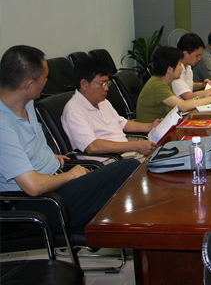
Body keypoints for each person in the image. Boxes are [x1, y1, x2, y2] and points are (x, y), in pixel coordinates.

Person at [0, 45, 139, 231]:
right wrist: (71, 175)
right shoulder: (3, 124)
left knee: (127, 177)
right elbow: (33, 186)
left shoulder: (26, 103)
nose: (47, 81)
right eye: (44, 77)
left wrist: (49, 158)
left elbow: (29, 146)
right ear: (28, 85)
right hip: (39, 203)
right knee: (128, 169)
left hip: (54, 182)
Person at [61, 58, 160, 161]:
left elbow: (122, 123)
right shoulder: (73, 110)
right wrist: (135, 146)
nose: (106, 88)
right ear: (84, 84)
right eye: (102, 84)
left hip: (125, 152)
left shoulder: (102, 102)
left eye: (107, 83)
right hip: (108, 160)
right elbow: (92, 146)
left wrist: (151, 126)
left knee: (162, 152)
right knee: (157, 163)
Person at [136, 46, 211, 123]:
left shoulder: (165, 81)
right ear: (169, 69)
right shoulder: (158, 85)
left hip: (165, 123)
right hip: (155, 130)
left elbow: (180, 105)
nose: (181, 68)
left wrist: (202, 97)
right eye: (179, 64)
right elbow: (183, 106)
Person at [172, 33, 211, 100]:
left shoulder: (188, 67)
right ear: (185, 54)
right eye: (197, 56)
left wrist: (202, 85)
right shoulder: (175, 71)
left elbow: (188, 86)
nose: (199, 58)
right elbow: (188, 96)